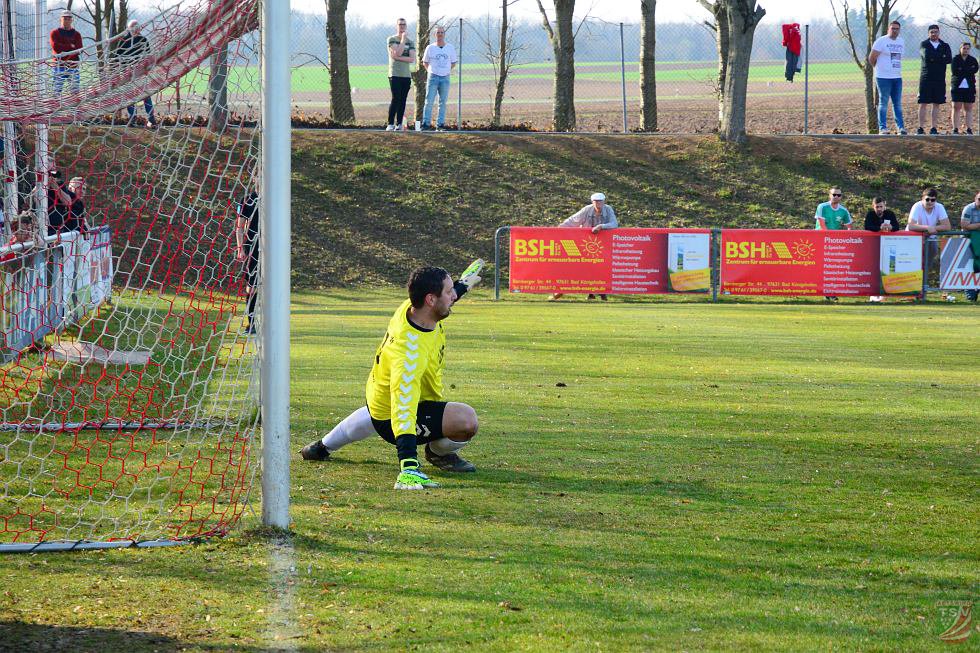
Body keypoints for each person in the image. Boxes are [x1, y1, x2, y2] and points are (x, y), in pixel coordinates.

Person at [300, 263, 485, 490]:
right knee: (466, 420)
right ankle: (438, 454)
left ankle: (321, 448)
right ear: (430, 300)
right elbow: (403, 408)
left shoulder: (411, 308)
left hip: (379, 398)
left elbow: (440, 301)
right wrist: (408, 466)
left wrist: (461, 286)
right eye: (449, 292)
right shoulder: (409, 355)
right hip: (395, 417)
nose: (453, 296)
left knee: (376, 411)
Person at [549, 192, 619, 302]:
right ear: (592, 202)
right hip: (584, 243)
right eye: (596, 201)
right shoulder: (587, 209)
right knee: (578, 266)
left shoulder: (608, 209)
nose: (598, 203)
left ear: (604, 201)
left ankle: (601, 293)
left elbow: (614, 224)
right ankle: (562, 291)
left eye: (600, 201)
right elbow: (573, 220)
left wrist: (601, 226)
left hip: (602, 245)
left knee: (600, 267)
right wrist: (561, 228)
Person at [115, 20, 157, 128]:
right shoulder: (124, 40)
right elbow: (117, 56)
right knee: (130, 95)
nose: (136, 29)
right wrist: (125, 68)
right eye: (134, 27)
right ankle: (132, 118)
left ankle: (151, 119)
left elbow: (147, 55)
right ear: (129, 28)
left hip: (141, 72)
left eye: (137, 27)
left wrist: (145, 66)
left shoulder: (143, 40)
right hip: (128, 72)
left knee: (146, 95)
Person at [869, 21, 906, 135]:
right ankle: (883, 128)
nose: (895, 30)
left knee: (897, 103)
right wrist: (880, 69)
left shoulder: (901, 41)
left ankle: (900, 128)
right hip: (883, 78)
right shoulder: (881, 41)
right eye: (893, 28)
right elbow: (871, 58)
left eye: (897, 29)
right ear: (888, 29)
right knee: (883, 103)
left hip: (897, 77)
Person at [907, 188, 951, 280]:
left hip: (930, 237)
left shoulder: (939, 207)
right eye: (927, 199)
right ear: (922, 199)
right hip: (913, 238)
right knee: (913, 261)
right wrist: (927, 228)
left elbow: (947, 226)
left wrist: (933, 228)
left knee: (933, 252)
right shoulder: (917, 206)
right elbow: (911, 226)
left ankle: (922, 279)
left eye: (933, 200)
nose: (930, 202)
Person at [916, 25, 953, 135]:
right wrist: (941, 57)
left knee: (936, 103)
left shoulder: (945, 45)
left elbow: (949, 59)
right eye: (932, 32)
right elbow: (927, 57)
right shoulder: (924, 44)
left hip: (939, 79)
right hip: (926, 78)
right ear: (928, 33)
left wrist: (936, 57)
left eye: (936, 32)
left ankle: (933, 128)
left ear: (939, 33)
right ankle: (920, 128)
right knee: (923, 102)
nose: (934, 34)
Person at [420, 25, 457, 131]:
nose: (440, 34)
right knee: (429, 101)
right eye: (438, 33)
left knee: (442, 102)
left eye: (441, 32)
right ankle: (426, 124)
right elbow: (425, 62)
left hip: (445, 78)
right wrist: (430, 72)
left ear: (444, 34)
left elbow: (453, 62)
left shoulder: (450, 47)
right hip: (433, 77)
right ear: (434, 35)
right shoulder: (430, 48)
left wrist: (446, 70)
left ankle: (440, 125)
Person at [235, 178, 259, 334]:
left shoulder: (274, 198)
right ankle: (251, 323)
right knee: (252, 286)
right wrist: (240, 248)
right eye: (259, 177)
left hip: (272, 248)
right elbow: (239, 227)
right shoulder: (246, 201)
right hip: (253, 247)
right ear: (255, 179)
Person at [864, 197, 899, 302]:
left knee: (889, 268)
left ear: (885, 206)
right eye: (877, 207)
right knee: (874, 269)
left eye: (881, 206)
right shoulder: (870, 214)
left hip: (889, 245)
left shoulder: (890, 214)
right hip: (874, 245)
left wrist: (891, 227)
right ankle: (873, 294)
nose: (879, 209)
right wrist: (880, 228)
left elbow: (897, 226)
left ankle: (885, 293)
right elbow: (867, 227)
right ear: (873, 206)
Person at [386, 18, 415, 132]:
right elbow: (396, 52)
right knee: (395, 98)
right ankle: (390, 123)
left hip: (406, 76)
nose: (402, 26)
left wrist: (398, 57)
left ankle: (399, 124)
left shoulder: (410, 42)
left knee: (403, 100)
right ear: (396, 26)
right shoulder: (391, 39)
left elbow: (412, 59)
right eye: (400, 24)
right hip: (395, 74)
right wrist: (402, 40)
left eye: (404, 24)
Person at [50, 11, 83, 95]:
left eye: (69, 19)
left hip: (73, 66)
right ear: (61, 19)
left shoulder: (77, 34)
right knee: (56, 91)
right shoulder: (54, 33)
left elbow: (79, 49)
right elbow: (56, 47)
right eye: (65, 18)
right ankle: (56, 107)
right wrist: (71, 46)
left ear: (72, 20)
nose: (67, 21)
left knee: (75, 92)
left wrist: (65, 48)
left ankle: (75, 107)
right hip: (58, 66)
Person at [950, 42, 978, 135]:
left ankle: (969, 129)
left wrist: (962, 69)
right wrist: (968, 70)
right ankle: (955, 129)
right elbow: (955, 71)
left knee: (968, 108)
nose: (965, 50)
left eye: (967, 48)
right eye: (964, 48)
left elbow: (975, 69)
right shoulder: (955, 59)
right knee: (956, 107)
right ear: (960, 48)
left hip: (969, 87)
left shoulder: (973, 60)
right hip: (957, 86)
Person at [960, 191, 980, 301]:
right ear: (975, 198)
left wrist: (975, 226)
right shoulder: (968, 208)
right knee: (969, 268)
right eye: (979, 199)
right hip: (968, 241)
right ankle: (970, 291)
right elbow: (964, 225)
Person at [46, 170, 76, 237]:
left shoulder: (60, 185)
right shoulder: (37, 185)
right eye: (51, 176)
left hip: (56, 229)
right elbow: (27, 202)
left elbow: (68, 202)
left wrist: (55, 186)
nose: (53, 178)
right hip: (39, 227)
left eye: (54, 176)